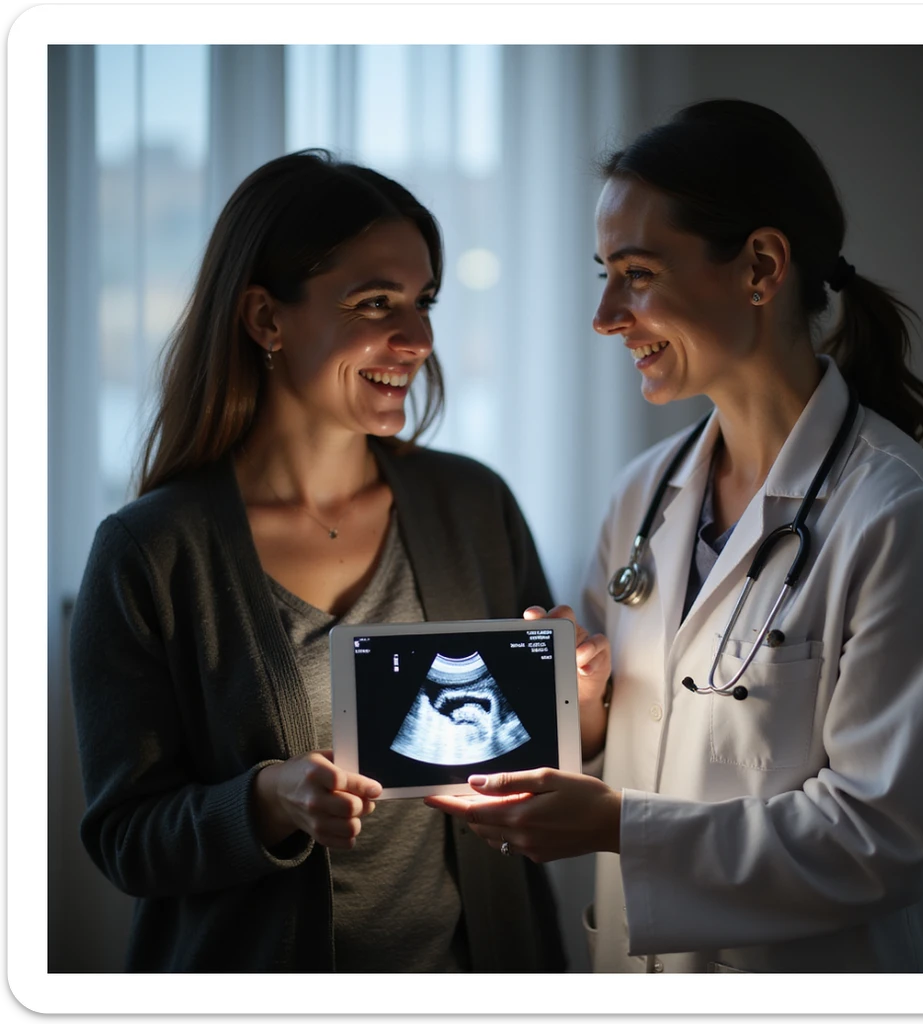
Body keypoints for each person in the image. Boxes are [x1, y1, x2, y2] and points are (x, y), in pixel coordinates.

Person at [425, 99, 923, 974]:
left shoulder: (899, 514)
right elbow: (647, 726)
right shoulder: (644, 494)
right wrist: (587, 702)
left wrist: (617, 826)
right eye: (604, 274)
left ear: (761, 267)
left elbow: (883, 840)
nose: (606, 314)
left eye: (637, 273)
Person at [68, 150, 566, 974]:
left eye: (423, 302)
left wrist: (578, 695)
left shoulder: (474, 504)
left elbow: (547, 752)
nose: (419, 339)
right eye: (376, 302)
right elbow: (126, 839)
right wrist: (265, 801)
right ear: (266, 319)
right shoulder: (150, 552)